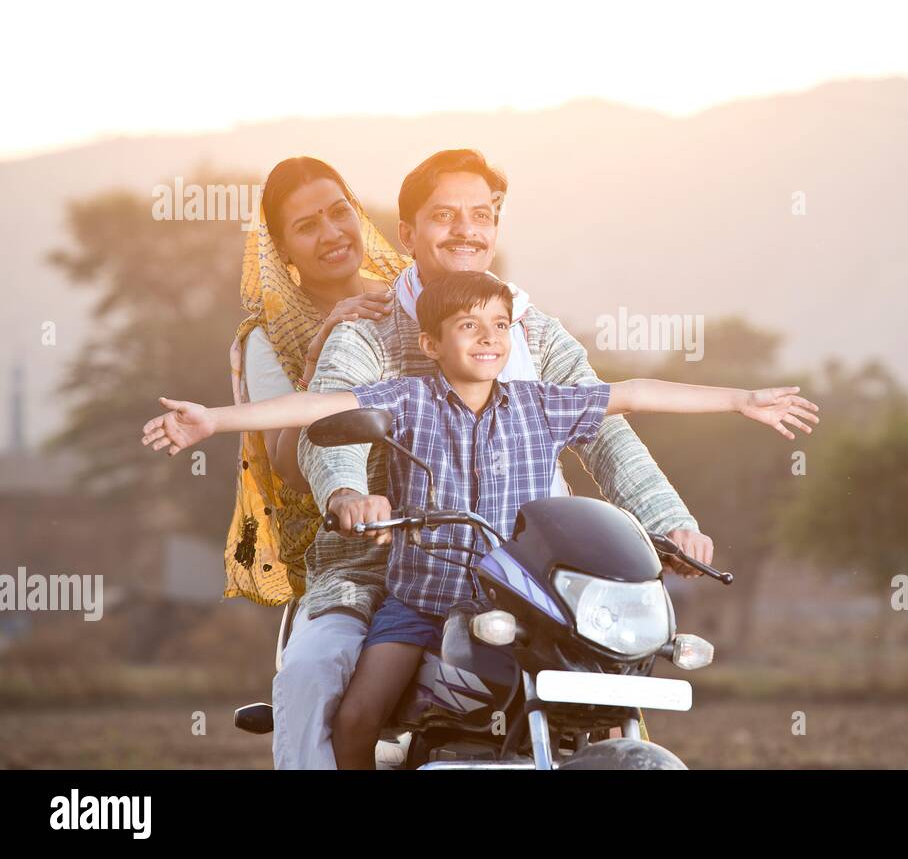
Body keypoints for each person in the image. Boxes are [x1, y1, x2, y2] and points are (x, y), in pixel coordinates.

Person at [141, 271, 820, 768]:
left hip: (517, 604)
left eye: (499, 324)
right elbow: (315, 410)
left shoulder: (539, 404)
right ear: (432, 344)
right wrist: (214, 420)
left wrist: (742, 399)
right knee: (355, 716)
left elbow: (636, 394)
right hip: (422, 599)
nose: (488, 337)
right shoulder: (407, 399)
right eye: (469, 325)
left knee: (602, 685)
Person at [272, 148, 717, 764]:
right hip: (383, 565)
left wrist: (672, 522)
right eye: (444, 216)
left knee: (610, 682)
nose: (465, 230)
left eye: (481, 215)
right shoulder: (369, 327)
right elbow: (332, 422)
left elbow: (606, 431)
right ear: (407, 233)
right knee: (315, 673)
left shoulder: (528, 327)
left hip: (530, 570)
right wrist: (348, 495)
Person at [225, 156, 406, 610]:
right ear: (281, 249)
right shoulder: (269, 338)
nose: (332, 234)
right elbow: (289, 468)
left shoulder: (409, 297)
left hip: (440, 524)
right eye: (307, 226)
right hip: (342, 542)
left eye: (340, 212)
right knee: (324, 670)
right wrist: (321, 348)